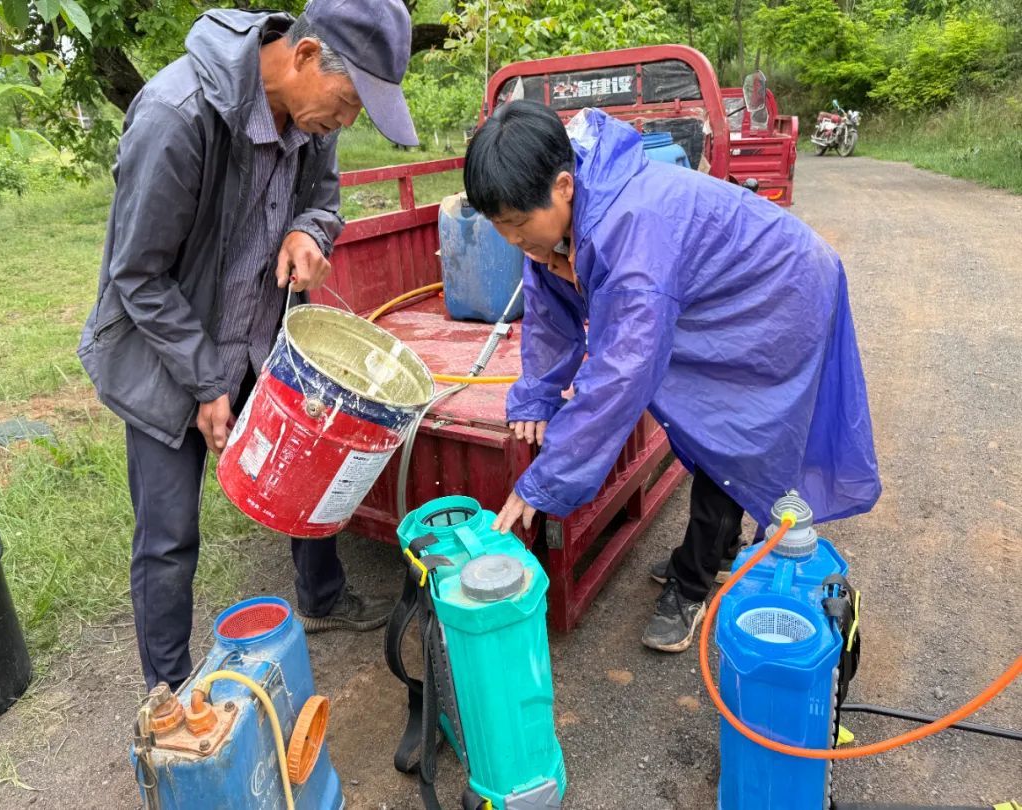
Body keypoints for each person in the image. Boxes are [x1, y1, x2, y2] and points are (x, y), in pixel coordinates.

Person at [78, 0, 419, 691]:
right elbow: (136, 277)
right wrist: (206, 380)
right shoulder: (175, 116)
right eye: (350, 103)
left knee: (307, 471)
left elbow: (322, 202)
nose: (345, 124)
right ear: (304, 55)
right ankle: (167, 698)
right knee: (169, 536)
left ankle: (321, 598)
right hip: (165, 352)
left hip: (260, 337)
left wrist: (309, 234)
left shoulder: (311, 111)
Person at [463, 101, 881, 653]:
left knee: (730, 432)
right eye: (500, 229)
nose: (514, 240)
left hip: (781, 290)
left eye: (518, 225)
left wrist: (547, 479)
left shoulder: (631, 231)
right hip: (722, 286)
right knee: (714, 424)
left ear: (563, 185)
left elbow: (620, 374)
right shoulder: (563, 215)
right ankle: (718, 548)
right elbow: (548, 309)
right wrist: (535, 396)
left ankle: (692, 582)